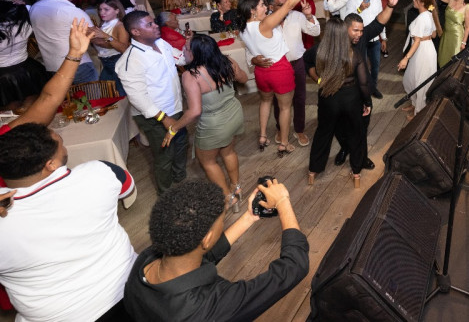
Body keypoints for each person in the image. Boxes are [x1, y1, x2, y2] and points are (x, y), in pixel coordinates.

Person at [0, 123, 136, 322]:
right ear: (50, 164)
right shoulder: (101, 172)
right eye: (61, 143)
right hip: (134, 293)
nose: (65, 147)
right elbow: (128, 190)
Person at [123, 178, 308, 321]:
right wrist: (283, 201)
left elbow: (199, 254)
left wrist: (248, 218)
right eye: (222, 219)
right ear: (207, 238)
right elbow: (294, 266)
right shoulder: (208, 307)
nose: (223, 222)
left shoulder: (146, 260)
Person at [304, 0, 401, 167]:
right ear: (344, 29)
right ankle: (345, 149)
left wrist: (389, 5)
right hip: (333, 95)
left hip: (358, 93)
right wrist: (318, 79)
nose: (359, 34)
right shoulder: (328, 45)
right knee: (338, 129)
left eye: (361, 31)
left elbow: (379, 22)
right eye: (355, 31)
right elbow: (307, 61)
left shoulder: (362, 39)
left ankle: (360, 158)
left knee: (360, 130)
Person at [237, 0, 322, 156]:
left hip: (262, 72)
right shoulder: (265, 24)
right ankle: (283, 143)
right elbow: (290, 4)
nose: (264, 7)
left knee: (265, 101)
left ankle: (262, 136)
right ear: (252, 11)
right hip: (279, 69)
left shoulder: (243, 28)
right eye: (261, 5)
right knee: (284, 107)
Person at [162, 34, 248, 210]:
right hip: (233, 113)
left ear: (195, 54)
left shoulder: (190, 76)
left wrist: (173, 128)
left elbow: (194, 111)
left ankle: (228, 198)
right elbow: (244, 79)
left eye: (186, 49)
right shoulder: (227, 62)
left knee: (207, 161)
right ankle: (236, 187)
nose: (183, 51)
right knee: (228, 151)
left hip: (214, 123)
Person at [116, 10, 191, 195]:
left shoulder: (161, 43)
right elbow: (138, 98)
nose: (156, 25)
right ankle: (167, 194)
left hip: (175, 109)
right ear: (136, 32)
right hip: (156, 116)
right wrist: (164, 119)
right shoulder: (130, 60)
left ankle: (179, 179)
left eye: (153, 22)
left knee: (181, 143)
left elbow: (182, 58)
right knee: (164, 155)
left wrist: (188, 43)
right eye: (149, 24)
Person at [0, 18, 94, 136]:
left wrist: (75, 53)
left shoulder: (7, 134)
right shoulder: (9, 136)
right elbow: (49, 100)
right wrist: (74, 54)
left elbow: (48, 100)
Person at [307, 18, 372, 188]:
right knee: (356, 134)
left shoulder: (320, 52)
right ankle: (356, 172)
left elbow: (307, 63)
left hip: (328, 97)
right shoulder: (354, 54)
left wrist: (319, 80)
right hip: (351, 98)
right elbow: (364, 83)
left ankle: (313, 171)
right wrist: (367, 102)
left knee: (323, 134)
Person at [263, 0, 320, 148]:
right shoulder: (266, 21)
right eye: (281, 5)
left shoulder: (297, 15)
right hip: (276, 66)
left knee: (300, 97)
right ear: (271, 7)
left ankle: (299, 130)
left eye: (287, 3)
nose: (286, 7)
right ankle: (280, 128)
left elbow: (315, 32)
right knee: (278, 99)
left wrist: (308, 16)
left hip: (297, 63)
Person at [29, 0, 99, 84]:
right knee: (92, 99)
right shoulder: (73, 11)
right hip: (78, 66)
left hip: (52, 67)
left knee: (67, 100)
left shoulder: (35, 7)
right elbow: (95, 37)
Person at [398, 0, 442, 118]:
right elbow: (433, 35)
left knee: (421, 83)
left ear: (422, 2)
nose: (413, 1)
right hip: (425, 49)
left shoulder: (422, 18)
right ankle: (414, 103)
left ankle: (418, 114)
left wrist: (405, 59)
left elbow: (416, 42)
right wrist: (424, 36)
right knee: (410, 79)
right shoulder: (429, 14)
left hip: (422, 52)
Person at [0, 2, 48, 113]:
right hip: (27, 68)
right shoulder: (25, 25)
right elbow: (35, 11)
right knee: (32, 100)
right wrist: (23, 6)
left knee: (10, 107)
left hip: (3, 73)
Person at [422, 0, 469, 68]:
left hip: (457, 38)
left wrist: (463, 43)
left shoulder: (468, 8)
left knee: (453, 63)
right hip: (446, 35)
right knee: (442, 60)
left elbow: (467, 27)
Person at [345, 0, 384, 97]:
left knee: (375, 65)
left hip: (375, 38)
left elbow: (381, 19)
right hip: (359, 38)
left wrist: (384, 37)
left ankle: (373, 88)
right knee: (362, 66)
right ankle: (362, 89)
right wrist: (360, 8)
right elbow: (347, 19)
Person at [89, 0, 131, 96]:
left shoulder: (120, 26)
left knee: (121, 94)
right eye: (100, 9)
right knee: (107, 94)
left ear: (117, 11)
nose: (102, 12)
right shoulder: (103, 25)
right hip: (106, 63)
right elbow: (99, 44)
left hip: (117, 62)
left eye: (106, 9)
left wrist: (106, 37)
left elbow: (123, 49)